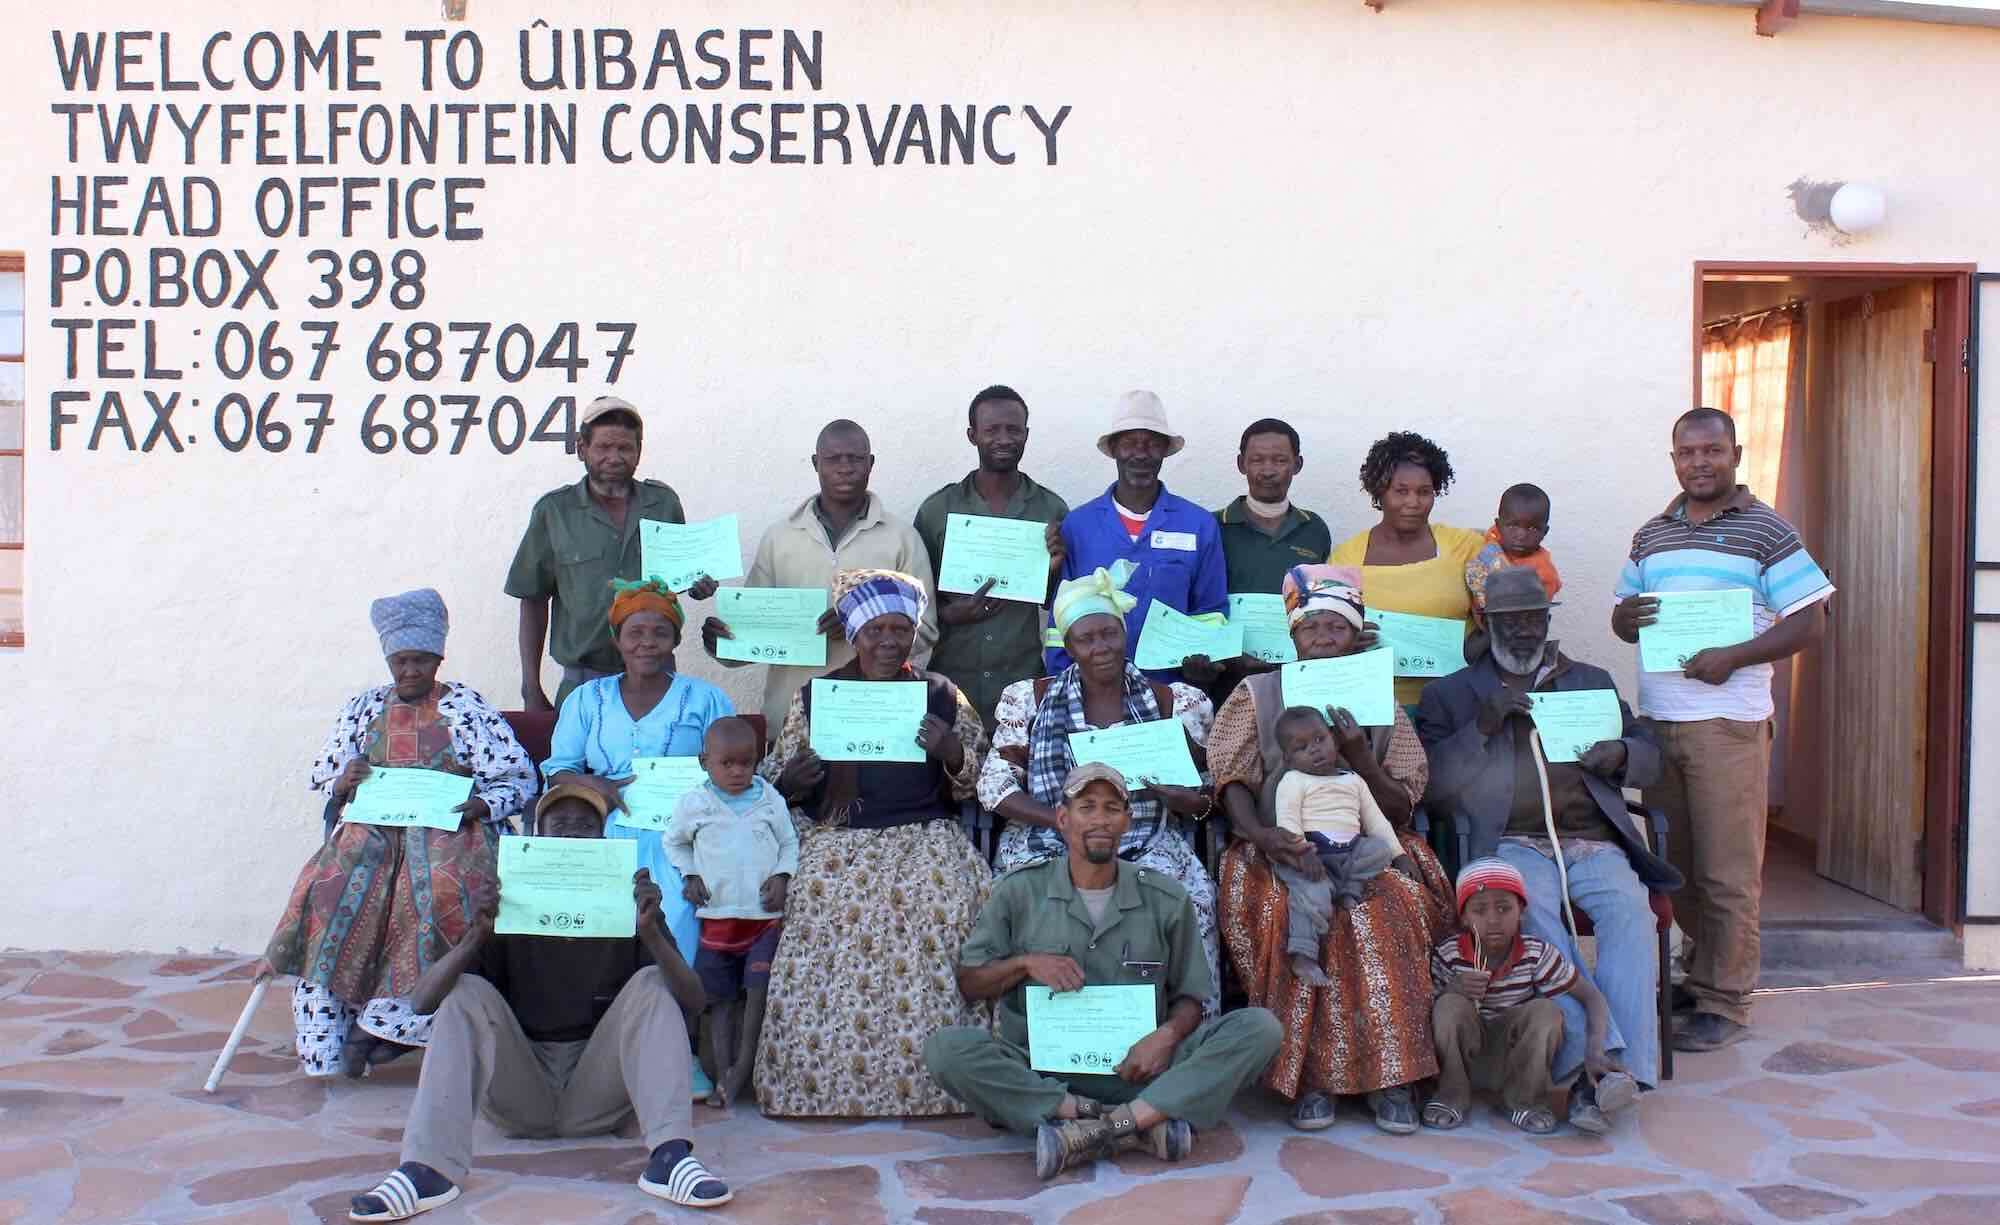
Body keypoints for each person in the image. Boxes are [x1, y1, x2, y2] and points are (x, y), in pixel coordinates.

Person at [343, 786, 731, 1220]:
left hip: (596, 1089)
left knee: (652, 982)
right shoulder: (504, 904)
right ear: (536, 834)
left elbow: (693, 1000)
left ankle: (670, 1157)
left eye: (586, 826)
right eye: (559, 824)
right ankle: (426, 1168)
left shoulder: (628, 905)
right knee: (465, 993)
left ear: (603, 839)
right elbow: (422, 1002)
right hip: (519, 1093)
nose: (572, 835)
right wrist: (476, 935)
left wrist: (651, 932)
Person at [926, 764, 1282, 1181]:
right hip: (1043, 1072)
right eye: (1087, 807)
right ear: (1063, 819)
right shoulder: (1017, 891)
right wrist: (1025, 963)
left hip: (1142, 1071)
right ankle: (1135, 1124)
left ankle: (1090, 1130)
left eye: (1112, 808)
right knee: (945, 1050)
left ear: (1127, 823)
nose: (1099, 819)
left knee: (1260, 1028)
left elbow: (1191, 997)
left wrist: (1164, 1038)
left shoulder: (1166, 898)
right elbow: (971, 982)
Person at [1416, 566, 1675, 1131]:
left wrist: (1622, 754)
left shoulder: (1588, 680)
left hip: (1593, 840)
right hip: (1511, 843)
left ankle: (1614, 1071)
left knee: (1632, 914)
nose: (1525, 630)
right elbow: (1433, 789)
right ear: (1486, 620)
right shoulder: (1452, 694)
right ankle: (1596, 1068)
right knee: (1531, 915)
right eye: (1511, 620)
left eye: (1535, 618)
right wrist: (1482, 728)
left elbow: (1651, 753)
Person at [1612, 407, 1832, 1052]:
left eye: (1712, 450)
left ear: (1736, 453)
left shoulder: (1767, 530)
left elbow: (1811, 622)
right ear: (1673, 459)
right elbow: (1627, 621)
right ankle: (1702, 973)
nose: (1700, 462)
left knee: (1727, 871)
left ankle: (1727, 1001)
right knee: (1675, 866)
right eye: (1687, 452)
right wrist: (1626, 617)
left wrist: (1734, 656)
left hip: (1727, 726)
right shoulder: (1652, 534)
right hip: (1660, 726)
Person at [1211, 565, 1455, 1134]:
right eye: (1311, 627)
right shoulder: (1259, 693)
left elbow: (1401, 808)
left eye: (1336, 628)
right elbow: (1233, 782)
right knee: (1291, 912)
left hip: (1370, 841)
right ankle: (1312, 1077)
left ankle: (1392, 1077)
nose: (1322, 638)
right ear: (1293, 636)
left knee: (1389, 907)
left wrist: (1359, 755)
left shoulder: (1379, 700)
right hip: (1279, 842)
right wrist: (1262, 835)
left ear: (1356, 635)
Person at [260, 588, 536, 1079]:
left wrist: (481, 804)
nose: (411, 671)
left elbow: (517, 777)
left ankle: (388, 1027)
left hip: (452, 828)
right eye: (401, 661)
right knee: (326, 893)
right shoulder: (363, 707)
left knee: (440, 890)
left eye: (422, 661)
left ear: (438, 658)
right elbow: (325, 771)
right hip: (372, 830)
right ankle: (334, 1035)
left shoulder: (466, 707)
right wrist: (343, 781)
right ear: (388, 658)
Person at [752, 569, 992, 1117]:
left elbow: (980, 779)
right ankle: (820, 1087)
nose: (888, 642)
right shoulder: (817, 695)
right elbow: (771, 781)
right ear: (855, 635)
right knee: (820, 901)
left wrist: (952, 750)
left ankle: (939, 1085)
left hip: (923, 833)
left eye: (900, 630)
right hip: (838, 835)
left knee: (943, 900)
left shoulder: (940, 693)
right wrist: (794, 780)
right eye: (875, 630)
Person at [977, 562, 1221, 1003]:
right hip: (1048, 843)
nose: (1101, 647)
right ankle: (1030, 1041)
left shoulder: (1173, 702)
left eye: (1109, 633)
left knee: (1194, 899)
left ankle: (1183, 1031)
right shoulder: (1029, 699)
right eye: (1086, 639)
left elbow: (1208, 797)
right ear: (1067, 645)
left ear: (1124, 634)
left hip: (1146, 841)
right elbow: (995, 787)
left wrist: (1183, 798)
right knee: (1013, 903)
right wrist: (1066, 822)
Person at [543, 578, 735, 1097]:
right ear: (617, 639)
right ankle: (601, 1054)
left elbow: (731, 767)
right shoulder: (588, 699)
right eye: (635, 632)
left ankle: (678, 1053)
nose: (646, 642)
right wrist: (596, 783)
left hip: (685, 840)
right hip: (610, 834)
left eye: (658, 632)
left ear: (675, 639)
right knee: (605, 933)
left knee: (679, 926)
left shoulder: (706, 697)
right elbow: (558, 769)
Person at [703, 419, 939, 729]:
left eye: (855, 458)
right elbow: (754, 632)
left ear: (870, 464)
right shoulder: (781, 537)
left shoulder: (901, 538)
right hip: (789, 720)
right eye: (833, 459)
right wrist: (723, 643)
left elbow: (926, 631)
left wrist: (861, 629)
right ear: (816, 463)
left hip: (870, 719)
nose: (845, 468)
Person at [506, 396, 719, 711]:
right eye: (604, 447)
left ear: (638, 451)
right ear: (582, 448)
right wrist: (530, 688)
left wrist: (698, 586)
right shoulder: (554, 512)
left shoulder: (663, 504)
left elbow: (678, 580)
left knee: (657, 761)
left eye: (625, 448)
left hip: (657, 681)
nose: (615, 457)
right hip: (583, 685)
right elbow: (533, 600)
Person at [913, 384, 1070, 727]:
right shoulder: (938, 510)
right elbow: (914, 602)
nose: (1003, 438)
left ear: (1026, 435)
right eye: (992, 430)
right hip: (951, 684)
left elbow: (1058, 605)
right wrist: (950, 614)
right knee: (951, 777)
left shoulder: (1051, 509)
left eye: (1013, 429)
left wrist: (1053, 570)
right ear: (972, 435)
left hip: (1022, 684)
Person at [1427, 859, 1619, 1136]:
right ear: (1464, 918)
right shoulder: (1448, 955)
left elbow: (1592, 997)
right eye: (1479, 910)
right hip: (1464, 1063)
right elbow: (1423, 1012)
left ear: (1522, 912)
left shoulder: (1535, 953)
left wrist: (1594, 1049)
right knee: (1448, 1004)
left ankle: (1525, 1100)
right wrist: (1453, 988)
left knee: (1545, 1011)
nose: (1493, 920)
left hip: (1513, 1061)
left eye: (1504, 908)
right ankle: (1451, 1096)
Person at [664, 717, 798, 1108]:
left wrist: (782, 875)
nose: (739, 771)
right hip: (717, 921)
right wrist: (689, 875)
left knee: (756, 993)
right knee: (720, 1001)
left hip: (762, 920)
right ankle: (723, 1072)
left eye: (747, 762)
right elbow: (675, 844)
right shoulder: (695, 803)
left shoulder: (769, 798)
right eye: (728, 763)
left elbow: (788, 842)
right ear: (705, 761)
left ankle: (742, 1072)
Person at [1049, 391, 1227, 685]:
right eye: (1130, 442)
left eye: (1152, 444)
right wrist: (1061, 683)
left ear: (1164, 452)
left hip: (1172, 691)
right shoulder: (1078, 526)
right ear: (1115, 449)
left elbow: (1210, 611)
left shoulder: (1198, 524)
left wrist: (1201, 668)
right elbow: (1061, 621)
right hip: (1093, 694)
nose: (1141, 453)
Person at [1330, 431, 1485, 707]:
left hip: (1459, 706)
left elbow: (1507, 619)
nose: (1413, 503)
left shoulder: (1466, 547)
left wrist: (1471, 648)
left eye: (1424, 492)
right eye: (1401, 491)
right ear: (1379, 490)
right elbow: (1325, 633)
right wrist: (1346, 641)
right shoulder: (1346, 558)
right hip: (1377, 709)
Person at [1269, 706, 1406, 987]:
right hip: (1310, 856)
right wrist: (1302, 852)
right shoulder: (1293, 781)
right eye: (1302, 747)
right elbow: (1287, 822)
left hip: (1350, 852)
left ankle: (1347, 889)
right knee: (1312, 894)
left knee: (1378, 850)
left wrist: (1400, 855)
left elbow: (1376, 821)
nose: (1315, 750)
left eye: (1320, 739)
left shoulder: (1353, 780)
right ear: (1288, 759)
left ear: (1334, 738)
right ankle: (1303, 954)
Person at [1208, 417, 1334, 700]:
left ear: (1297, 464)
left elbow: (1320, 603)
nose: (1268, 470)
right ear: (1241, 464)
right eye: (1257, 460)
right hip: (1226, 679)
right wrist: (1226, 652)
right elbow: (1199, 602)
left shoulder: (1314, 529)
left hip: (1297, 677)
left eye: (1279, 460)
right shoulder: (1211, 526)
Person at [1466, 482, 1562, 630]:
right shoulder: (1487, 541)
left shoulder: (1543, 573)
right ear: (1498, 525)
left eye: (1533, 528)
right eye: (1512, 525)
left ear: (1545, 531)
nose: (1521, 535)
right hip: (1469, 625)